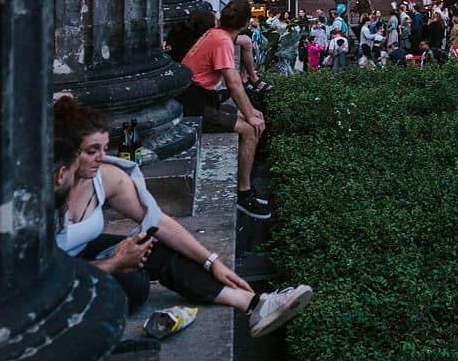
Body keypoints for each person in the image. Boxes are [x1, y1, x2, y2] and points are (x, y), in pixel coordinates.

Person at [52, 97, 312, 336]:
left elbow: (158, 222)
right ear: (68, 151)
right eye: (91, 151)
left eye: (105, 148)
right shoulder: (40, 194)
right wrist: (114, 264)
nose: (101, 158)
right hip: (47, 275)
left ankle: (254, 304)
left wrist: (212, 262)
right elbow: (32, 278)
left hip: (80, 254)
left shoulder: (106, 177)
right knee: (132, 286)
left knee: (149, 244)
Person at [178, 0, 270, 219]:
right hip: (195, 105)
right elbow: (234, 83)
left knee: (256, 118)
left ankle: (248, 180)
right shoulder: (222, 42)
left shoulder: (215, 34)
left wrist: (250, 112)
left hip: (201, 98)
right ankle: (244, 193)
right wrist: (249, 114)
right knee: (250, 129)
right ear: (246, 23)